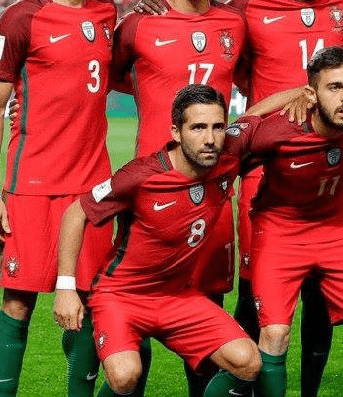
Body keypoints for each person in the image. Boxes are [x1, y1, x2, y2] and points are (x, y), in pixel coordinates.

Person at [135, 0, 343, 395]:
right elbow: (214, 47)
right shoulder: (246, 9)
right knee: (253, 283)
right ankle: (244, 384)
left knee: (319, 292)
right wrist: (156, 5)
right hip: (264, 166)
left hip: (327, 163)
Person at [0, 0, 116, 396]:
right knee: (18, 302)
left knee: (90, 303)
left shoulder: (108, 13)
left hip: (92, 186)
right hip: (31, 186)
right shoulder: (21, 18)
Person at [52, 85, 263, 397]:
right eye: (198, 128)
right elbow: (76, 212)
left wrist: (303, 93)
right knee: (125, 376)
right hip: (122, 296)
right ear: (176, 132)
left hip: (178, 296)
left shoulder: (227, 156)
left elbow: (256, 117)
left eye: (217, 127)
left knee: (247, 362)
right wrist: (66, 288)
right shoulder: (140, 176)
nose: (209, 138)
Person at [110, 0, 248, 395]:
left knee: (207, 317)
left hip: (212, 195)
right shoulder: (139, 24)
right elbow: (109, 77)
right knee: (133, 314)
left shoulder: (234, 23)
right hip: (150, 192)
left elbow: (255, 79)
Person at [245, 47, 343, 397]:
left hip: (335, 230)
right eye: (335, 87)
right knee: (274, 335)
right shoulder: (277, 132)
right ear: (311, 94)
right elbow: (238, 130)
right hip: (279, 232)